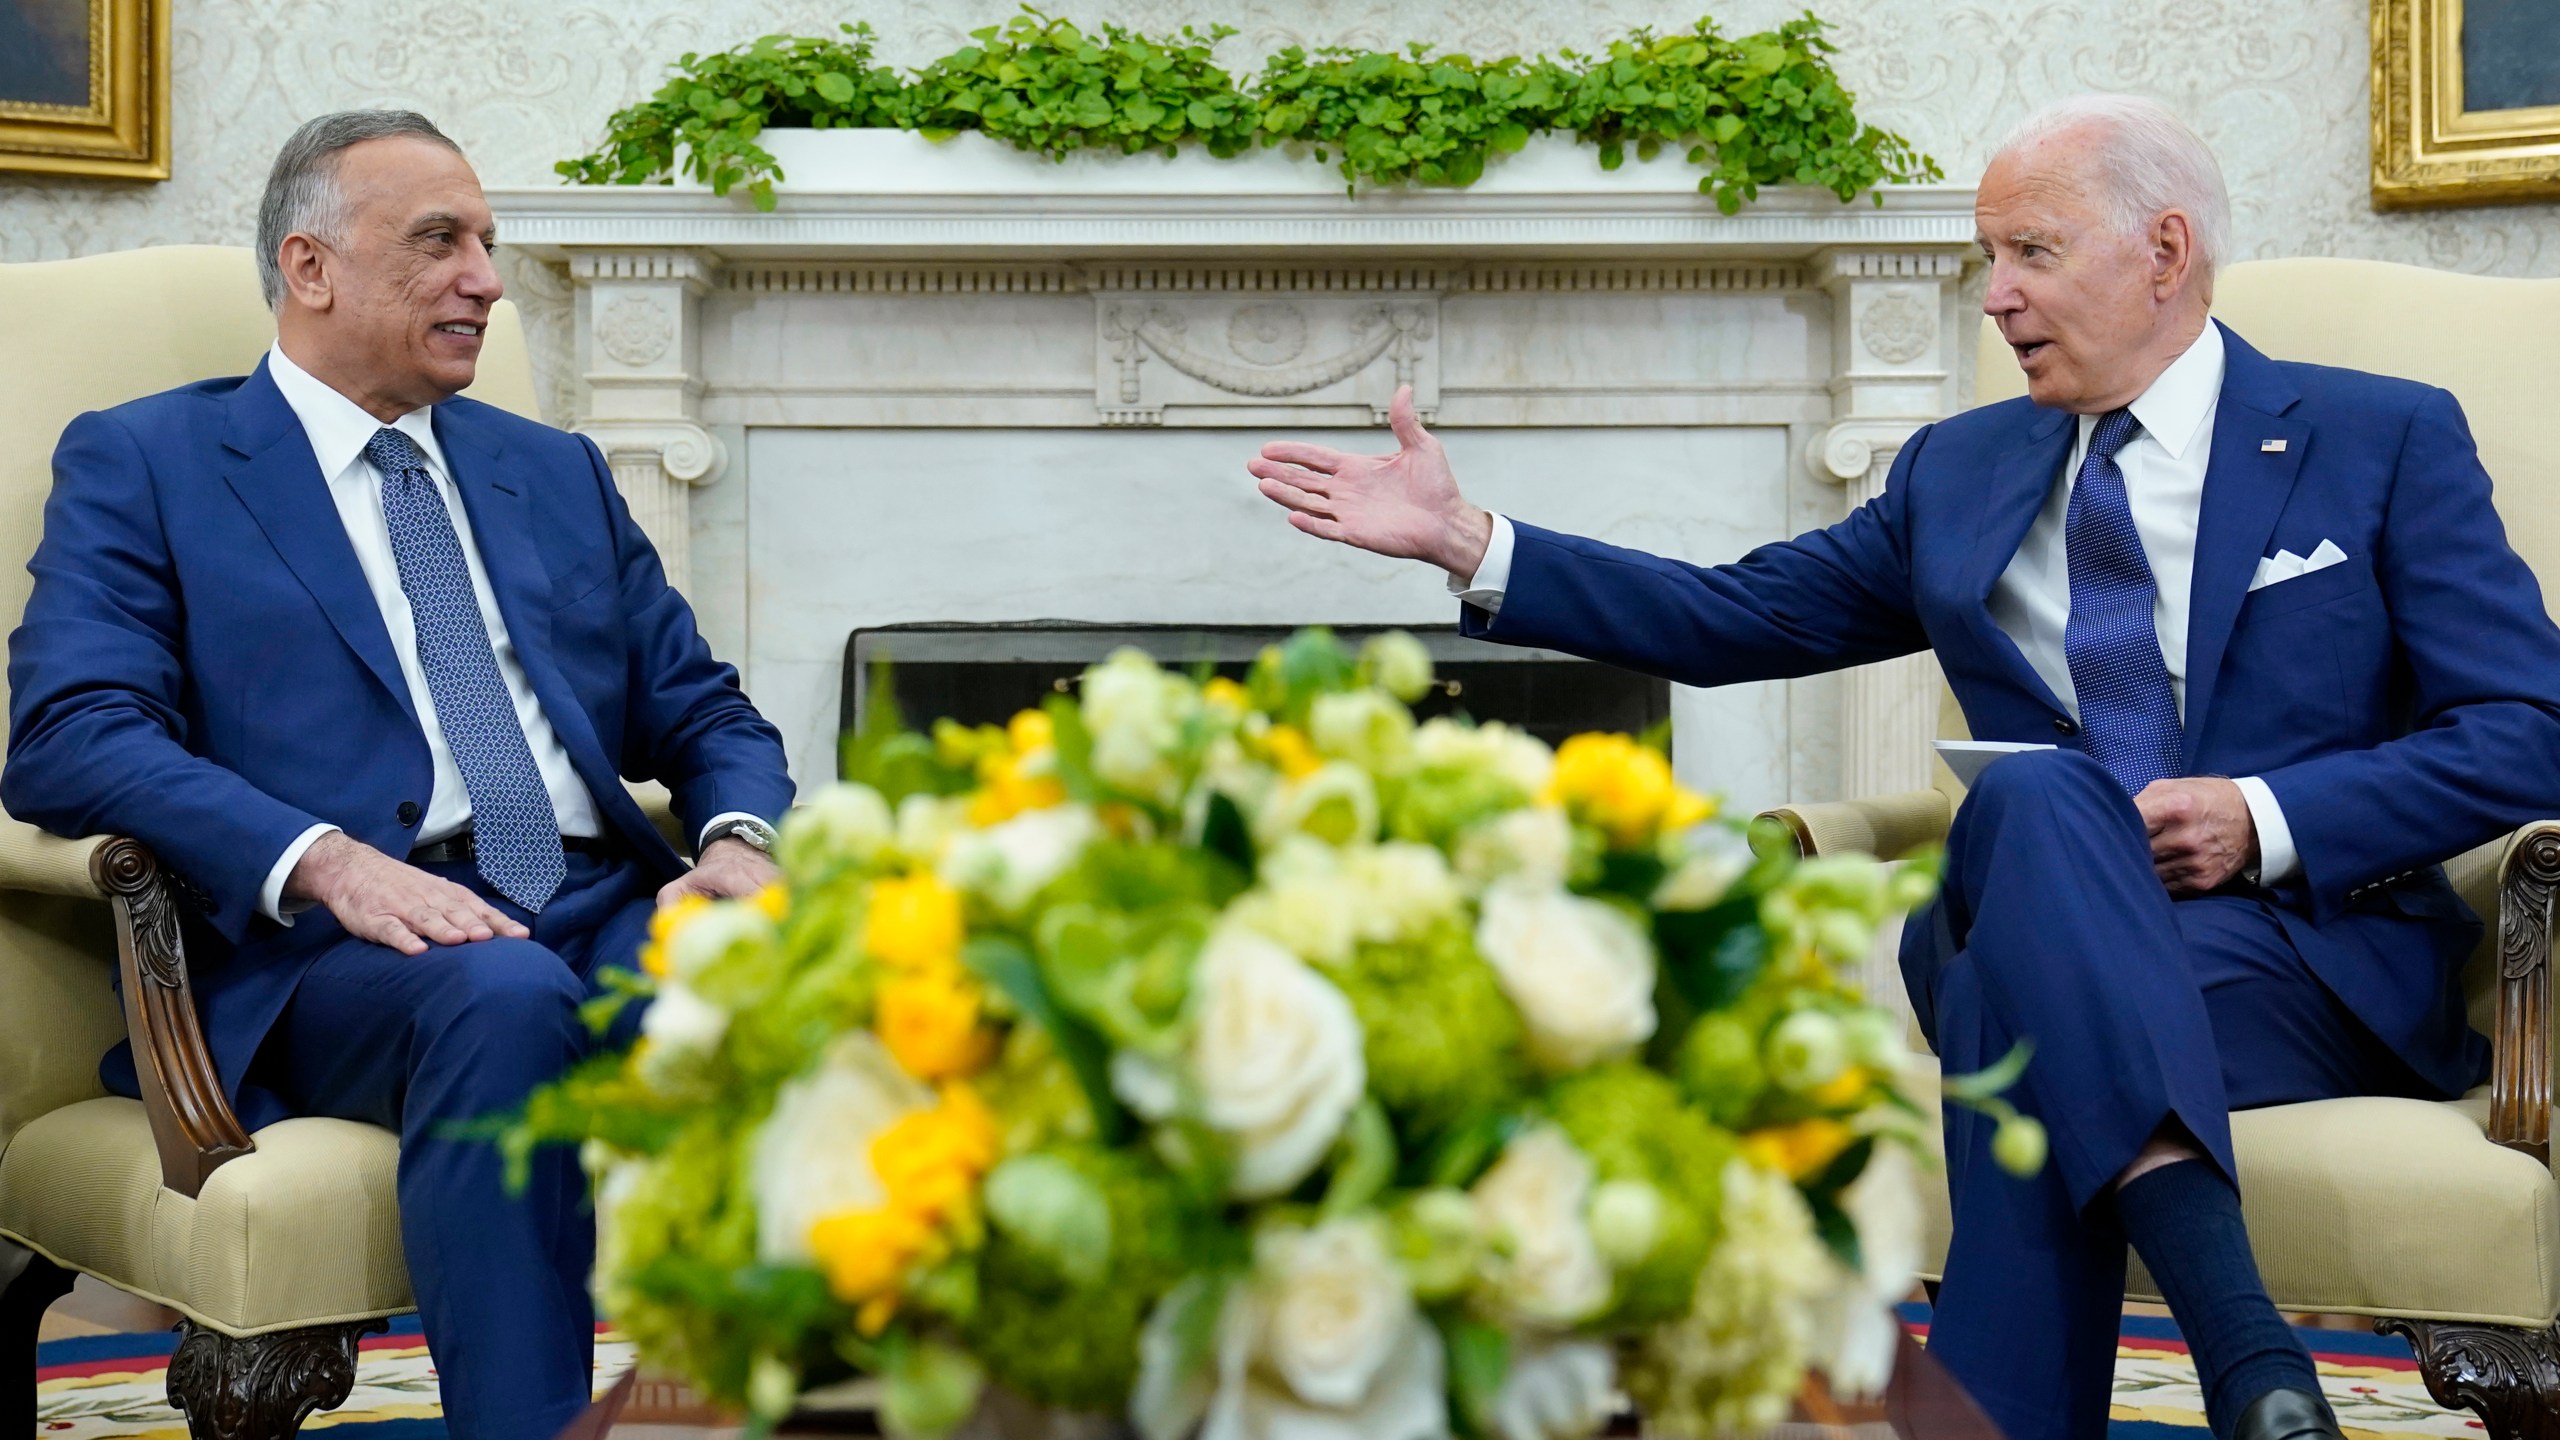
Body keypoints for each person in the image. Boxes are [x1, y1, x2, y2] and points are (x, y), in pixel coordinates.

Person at [1249, 93, 2560, 1440]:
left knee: (2009, 999)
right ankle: (2254, 1366)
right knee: (2047, 801)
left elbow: (2532, 723)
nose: (1993, 299)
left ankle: (2143, 1383)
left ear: (2166, 252)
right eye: (1988, 257)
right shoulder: (1961, 469)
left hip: (2308, 960)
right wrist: (1472, 542)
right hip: (2080, 916)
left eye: (2031, 254)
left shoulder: (2377, 438)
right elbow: (1734, 618)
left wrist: (2261, 816)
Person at [4, 111, 794, 1438]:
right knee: (500, 994)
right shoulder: (150, 461)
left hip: (596, 899)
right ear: (309, 267)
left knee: (844, 974)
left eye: (486, 243)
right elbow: (71, 730)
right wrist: (321, 858)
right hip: (334, 946)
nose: (486, 278)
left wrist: (734, 845)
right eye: (440, 242)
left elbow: (700, 706)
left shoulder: (552, 471)